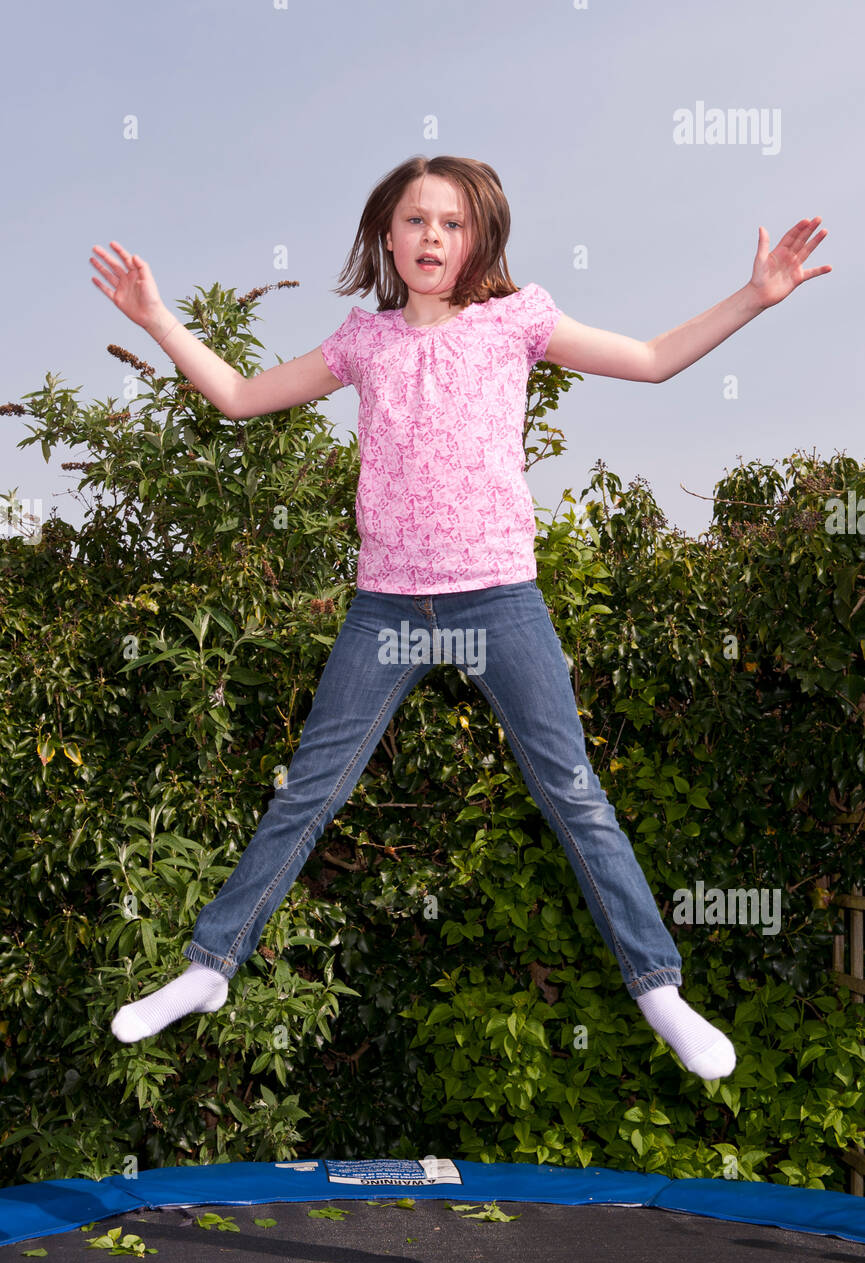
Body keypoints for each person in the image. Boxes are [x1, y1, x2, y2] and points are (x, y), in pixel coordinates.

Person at [92, 154, 830, 1078]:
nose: (430, 236)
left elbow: (647, 362)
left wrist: (754, 296)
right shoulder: (362, 342)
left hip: (497, 594)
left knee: (572, 791)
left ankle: (656, 987)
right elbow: (240, 398)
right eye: (413, 220)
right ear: (385, 236)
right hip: (388, 604)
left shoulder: (515, 321)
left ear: (478, 235)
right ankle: (209, 966)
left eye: (449, 222)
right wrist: (159, 318)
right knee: (309, 789)